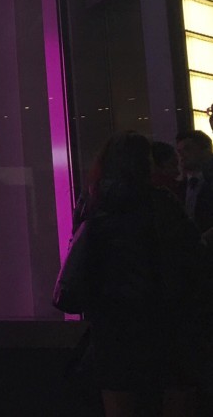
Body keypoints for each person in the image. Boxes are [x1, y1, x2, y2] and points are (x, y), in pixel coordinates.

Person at [78, 131, 213, 417]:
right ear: (144, 164)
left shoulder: (93, 204)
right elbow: (193, 260)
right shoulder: (161, 203)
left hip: (113, 327)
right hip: (164, 322)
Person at [175, 130, 213, 234]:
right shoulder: (179, 187)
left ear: (205, 151)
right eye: (179, 151)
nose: (182, 156)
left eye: (187, 149)